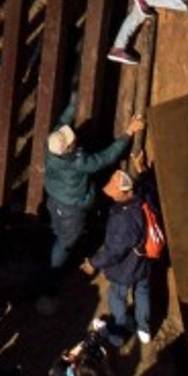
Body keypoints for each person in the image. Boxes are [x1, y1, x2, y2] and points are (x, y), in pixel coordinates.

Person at [44, 116, 143, 271]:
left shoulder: (51, 150)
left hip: (54, 199)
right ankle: (52, 273)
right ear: (68, 150)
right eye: (71, 141)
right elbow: (106, 157)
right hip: (71, 210)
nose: (75, 137)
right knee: (66, 242)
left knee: (58, 229)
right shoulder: (78, 163)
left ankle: (53, 252)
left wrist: (73, 102)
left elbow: (61, 121)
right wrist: (129, 132)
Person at [83, 171, 152, 346]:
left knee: (117, 296)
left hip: (125, 267)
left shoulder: (124, 218)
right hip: (143, 260)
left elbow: (114, 251)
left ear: (125, 192)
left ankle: (117, 335)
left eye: (115, 192)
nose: (112, 196)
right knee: (142, 291)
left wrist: (93, 262)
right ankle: (144, 329)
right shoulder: (143, 197)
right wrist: (142, 169)